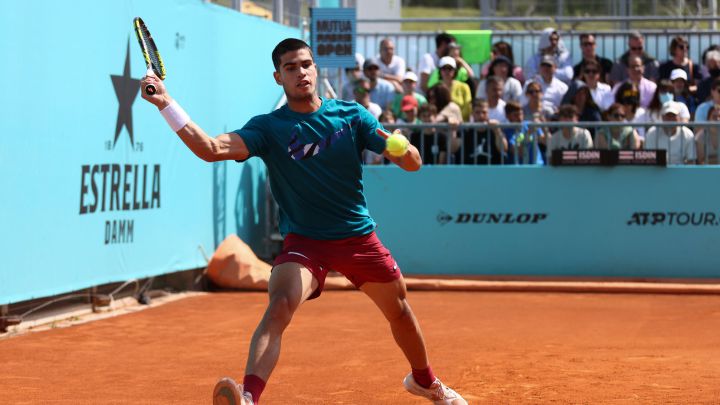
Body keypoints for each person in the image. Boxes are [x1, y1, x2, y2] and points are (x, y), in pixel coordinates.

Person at [139, 38, 466, 405]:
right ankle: (248, 397)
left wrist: (400, 148)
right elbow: (210, 149)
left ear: (316, 69)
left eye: (306, 64)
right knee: (279, 305)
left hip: (357, 238)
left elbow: (413, 163)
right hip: (305, 243)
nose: (301, 72)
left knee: (399, 310)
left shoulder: (351, 116)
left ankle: (425, 380)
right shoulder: (267, 128)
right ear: (278, 77)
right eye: (291, 68)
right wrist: (165, 103)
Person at [437, 56, 473, 121]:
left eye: (450, 68)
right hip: (441, 124)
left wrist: (455, 118)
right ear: (440, 71)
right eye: (444, 68)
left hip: (460, 125)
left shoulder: (464, 87)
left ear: (455, 71)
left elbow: (468, 108)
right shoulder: (436, 88)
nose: (447, 71)